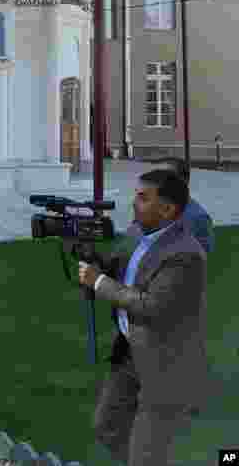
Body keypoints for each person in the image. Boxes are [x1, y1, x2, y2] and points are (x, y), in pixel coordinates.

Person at [77, 169, 208, 466]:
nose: (133, 203)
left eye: (142, 198)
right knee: (107, 427)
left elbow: (151, 306)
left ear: (167, 209)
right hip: (129, 354)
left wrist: (98, 283)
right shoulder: (137, 232)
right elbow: (117, 270)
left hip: (165, 364)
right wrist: (88, 256)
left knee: (146, 454)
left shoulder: (186, 255)